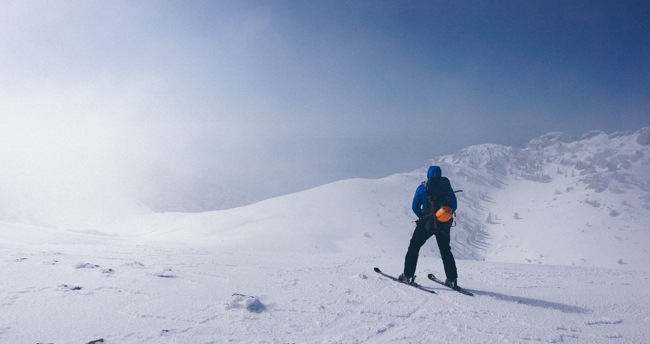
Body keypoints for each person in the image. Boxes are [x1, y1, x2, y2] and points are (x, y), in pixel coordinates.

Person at [398, 165, 459, 288]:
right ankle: (452, 279)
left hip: (426, 224)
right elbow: (454, 205)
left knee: (414, 247)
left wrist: (422, 215)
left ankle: (408, 275)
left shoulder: (423, 187)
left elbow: (415, 206)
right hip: (443, 224)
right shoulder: (447, 187)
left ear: (428, 174)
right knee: (446, 251)